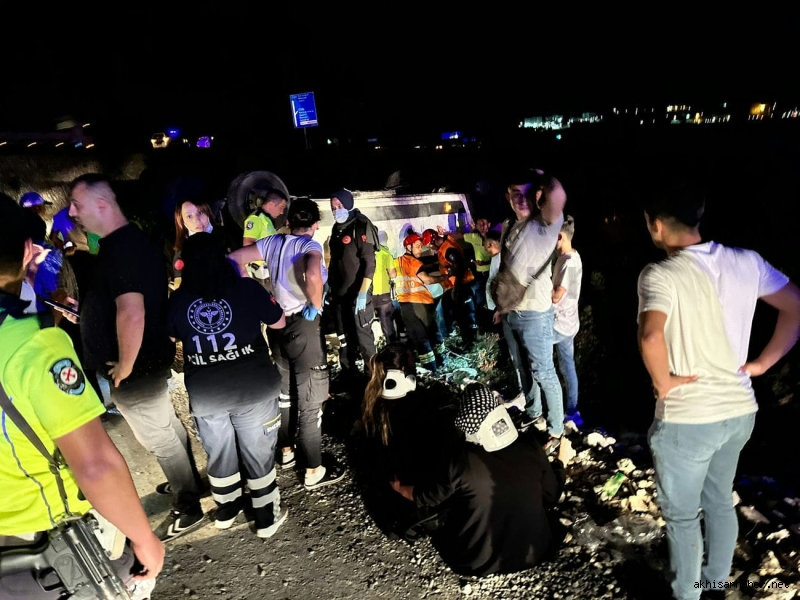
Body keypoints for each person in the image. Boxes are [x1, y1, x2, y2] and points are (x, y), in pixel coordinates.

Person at [637, 180, 800, 600]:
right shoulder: (747, 261)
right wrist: (762, 364)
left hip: (689, 418)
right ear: (699, 213)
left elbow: (651, 336)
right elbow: (795, 305)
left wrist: (663, 383)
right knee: (720, 501)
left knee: (682, 517)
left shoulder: (661, 274)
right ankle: (713, 583)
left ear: (655, 225)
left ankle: (688, 594)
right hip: (740, 411)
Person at [0, 193, 164, 598]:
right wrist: (144, 538)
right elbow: (95, 465)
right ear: (27, 251)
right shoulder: (33, 344)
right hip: (35, 545)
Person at [67, 173, 204, 542]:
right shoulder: (127, 244)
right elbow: (122, 303)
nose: (72, 213)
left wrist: (125, 366)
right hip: (147, 360)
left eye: (76, 205)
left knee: (159, 437)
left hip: (136, 367)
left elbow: (132, 311)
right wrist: (89, 314)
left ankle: (188, 504)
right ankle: (189, 482)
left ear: (101, 205)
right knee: (167, 427)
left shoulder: (122, 249)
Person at [167, 233, 288, 537]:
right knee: (258, 454)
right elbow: (279, 322)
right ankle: (266, 518)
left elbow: (171, 336)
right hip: (254, 389)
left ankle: (227, 510)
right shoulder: (247, 288)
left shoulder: (179, 300)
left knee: (219, 454)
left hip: (208, 396)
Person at [389, 382, 574, 577]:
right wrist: (560, 462)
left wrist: (399, 487)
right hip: (535, 554)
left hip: (476, 564)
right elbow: (552, 496)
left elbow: (425, 497)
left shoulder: (461, 461)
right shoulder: (531, 446)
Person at [228, 199, 346, 491]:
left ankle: (286, 451)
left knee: (285, 393)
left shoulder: (272, 242)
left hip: (277, 324)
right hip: (303, 326)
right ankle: (313, 469)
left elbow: (233, 258)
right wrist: (315, 304)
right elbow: (313, 273)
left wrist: (251, 290)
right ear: (315, 224)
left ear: (289, 222)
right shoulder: (309, 246)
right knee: (310, 400)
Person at [492, 170, 566, 452]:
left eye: (526, 193)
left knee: (544, 372)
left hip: (536, 313)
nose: (521, 199)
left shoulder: (544, 225)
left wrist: (541, 175)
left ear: (537, 196)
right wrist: (501, 307)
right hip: (512, 312)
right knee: (522, 367)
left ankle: (556, 430)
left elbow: (558, 194)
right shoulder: (509, 226)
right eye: (515, 194)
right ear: (508, 197)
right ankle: (533, 411)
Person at [328, 188, 379, 378]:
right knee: (344, 339)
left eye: (339, 206)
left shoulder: (361, 225)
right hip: (340, 296)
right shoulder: (336, 229)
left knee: (364, 339)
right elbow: (335, 261)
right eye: (333, 207)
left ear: (348, 204)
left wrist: (363, 292)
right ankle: (350, 377)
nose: (336, 210)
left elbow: (369, 263)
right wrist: (328, 286)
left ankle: (373, 377)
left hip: (358, 294)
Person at [391, 233, 447, 372]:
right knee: (434, 333)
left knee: (419, 338)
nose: (420, 250)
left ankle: (430, 368)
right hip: (422, 304)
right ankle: (442, 361)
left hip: (405, 306)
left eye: (421, 246)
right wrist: (445, 276)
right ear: (408, 247)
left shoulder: (395, 262)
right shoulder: (415, 263)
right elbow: (428, 280)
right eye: (417, 246)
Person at [422, 228, 478, 347]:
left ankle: (470, 342)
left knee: (466, 314)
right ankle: (460, 336)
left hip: (462, 284)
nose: (430, 248)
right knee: (453, 310)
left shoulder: (448, 249)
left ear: (433, 241)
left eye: (430, 245)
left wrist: (456, 288)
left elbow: (460, 267)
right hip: (456, 285)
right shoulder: (445, 246)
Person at [552, 215, 583, 426]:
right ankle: (572, 410)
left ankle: (564, 410)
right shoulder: (570, 258)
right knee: (567, 366)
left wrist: (538, 285)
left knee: (542, 363)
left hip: (560, 324)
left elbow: (556, 296)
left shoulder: (569, 263)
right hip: (568, 322)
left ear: (560, 236)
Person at [241, 185, 288, 289]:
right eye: (281, 208)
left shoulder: (266, 219)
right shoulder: (255, 219)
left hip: (268, 272)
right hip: (260, 274)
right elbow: (247, 245)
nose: (281, 212)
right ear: (271, 204)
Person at [171, 198, 219, 289]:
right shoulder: (182, 254)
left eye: (200, 213)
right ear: (182, 222)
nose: (197, 220)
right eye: (189, 216)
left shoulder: (227, 236)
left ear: (207, 212)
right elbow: (180, 289)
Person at [372, 231, 397, 343]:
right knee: (387, 323)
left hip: (367, 294)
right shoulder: (385, 252)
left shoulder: (363, 251)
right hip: (383, 293)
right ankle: (392, 347)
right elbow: (393, 274)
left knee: (367, 324)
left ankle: (373, 347)